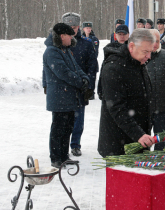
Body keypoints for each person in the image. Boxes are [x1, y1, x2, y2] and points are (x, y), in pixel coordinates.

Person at [98, 29, 155, 157]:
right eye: (145, 52)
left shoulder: (138, 62)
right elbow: (116, 108)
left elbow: (145, 95)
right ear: (131, 46)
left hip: (138, 139)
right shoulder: (113, 67)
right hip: (119, 143)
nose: (149, 56)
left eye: (150, 52)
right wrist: (138, 134)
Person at [43, 23, 90, 168]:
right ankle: (56, 157)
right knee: (58, 128)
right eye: (70, 36)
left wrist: (85, 79)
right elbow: (63, 73)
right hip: (59, 97)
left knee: (68, 127)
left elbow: (76, 68)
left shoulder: (65, 50)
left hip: (69, 97)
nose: (71, 38)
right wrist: (79, 82)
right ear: (62, 36)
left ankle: (64, 156)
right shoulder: (52, 51)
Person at [61, 12, 98, 156]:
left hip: (80, 88)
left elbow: (92, 67)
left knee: (78, 119)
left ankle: (75, 144)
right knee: (62, 120)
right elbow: (47, 67)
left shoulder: (86, 44)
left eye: (75, 26)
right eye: (69, 26)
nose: (72, 29)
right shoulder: (57, 45)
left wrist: (90, 87)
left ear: (78, 27)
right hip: (63, 89)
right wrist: (47, 84)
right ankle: (62, 145)